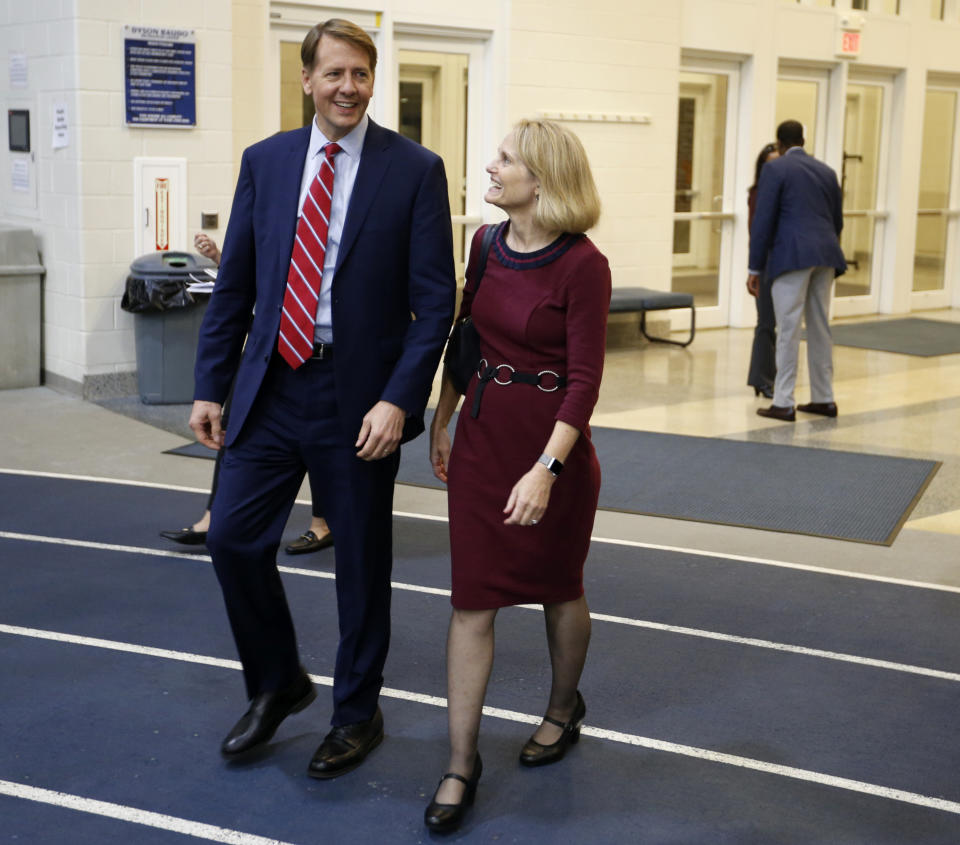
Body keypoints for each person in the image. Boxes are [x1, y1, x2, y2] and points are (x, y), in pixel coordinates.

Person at [188, 18, 455, 776]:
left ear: (373, 81)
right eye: (334, 73)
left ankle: (355, 713)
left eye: (361, 75)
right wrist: (212, 384)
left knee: (362, 566)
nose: (348, 87)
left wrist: (402, 398)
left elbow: (435, 301)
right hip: (270, 384)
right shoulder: (267, 162)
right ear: (306, 79)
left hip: (360, 396)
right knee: (233, 539)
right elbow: (237, 281)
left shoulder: (414, 170)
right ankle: (278, 681)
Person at [425, 120, 610, 833]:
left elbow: (585, 381)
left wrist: (546, 469)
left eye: (505, 159)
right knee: (472, 600)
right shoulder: (484, 243)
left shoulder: (583, 265)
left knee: (558, 590)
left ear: (543, 180)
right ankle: (460, 760)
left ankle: (564, 707)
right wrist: (443, 417)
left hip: (550, 454)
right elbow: (464, 336)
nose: (491, 166)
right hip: (481, 438)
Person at [160, 233, 333, 555]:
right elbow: (257, 274)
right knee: (233, 430)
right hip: (266, 348)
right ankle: (214, 515)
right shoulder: (272, 204)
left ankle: (321, 524)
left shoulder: (334, 218)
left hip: (321, 351)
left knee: (317, 442)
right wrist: (219, 257)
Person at [748, 120, 845, 422]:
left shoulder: (775, 170)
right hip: (826, 254)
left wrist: (755, 267)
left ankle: (783, 402)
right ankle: (824, 398)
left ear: (779, 145)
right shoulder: (826, 171)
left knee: (788, 328)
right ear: (803, 140)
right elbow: (837, 220)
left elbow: (763, 221)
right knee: (819, 327)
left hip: (791, 256)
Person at [745, 143, 779, 399]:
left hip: (784, 265)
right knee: (766, 323)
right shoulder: (758, 194)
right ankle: (762, 379)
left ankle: (770, 377)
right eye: (770, 163)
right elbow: (756, 232)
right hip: (767, 265)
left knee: (778, 325)